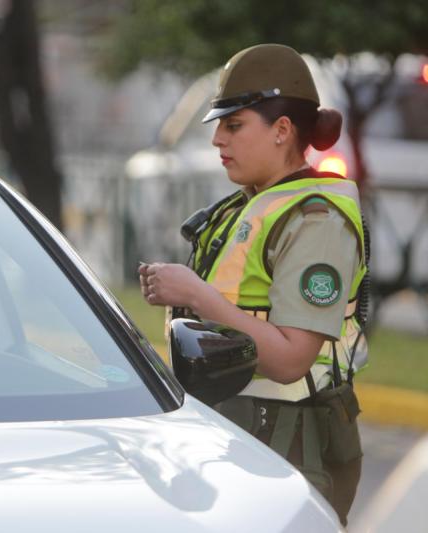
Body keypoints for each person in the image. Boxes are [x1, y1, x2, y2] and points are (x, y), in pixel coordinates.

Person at [138, 43, 369, 525]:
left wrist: (194, 293)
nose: (218, 140)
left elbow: (289, 360)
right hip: (238, 435)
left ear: (282, 130)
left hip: (288, 449)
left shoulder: (316, 221)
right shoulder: (250, 204)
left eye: (234, 125)